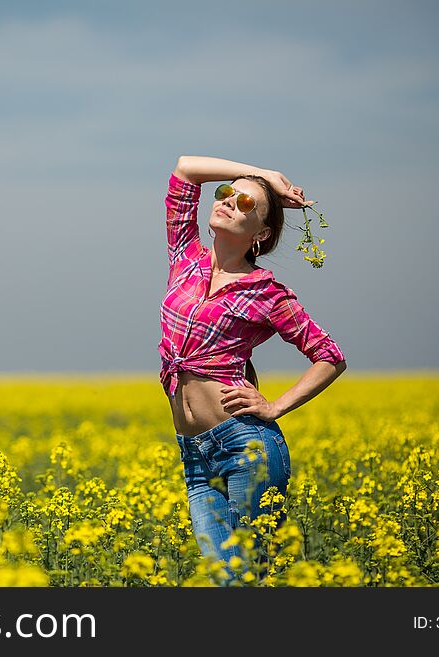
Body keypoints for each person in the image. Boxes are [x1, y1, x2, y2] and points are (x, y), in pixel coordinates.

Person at [159, 155, 347, 584]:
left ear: (261, 234)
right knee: (225, 580)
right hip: (195, 456)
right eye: (226, 193)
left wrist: (275, 406)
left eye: (246, 203)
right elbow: (186, 169)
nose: (229, 201)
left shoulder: (267, 292)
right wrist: (262, 176)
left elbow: (329, 356)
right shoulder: (185, 258)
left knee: (247, 580)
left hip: (246, 450)